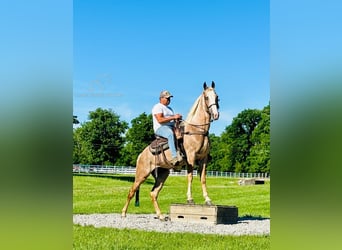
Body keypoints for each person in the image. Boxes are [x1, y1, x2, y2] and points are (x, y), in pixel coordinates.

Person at [152, 90, 183, 165]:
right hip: (161, 128)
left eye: (169, 98)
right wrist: (173, 117)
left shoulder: (170, 108)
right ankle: (174, 157)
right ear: (161, 98)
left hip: (171, 126)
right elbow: (160, 120)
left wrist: (177, 119)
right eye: (167, 98)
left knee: (187, 129)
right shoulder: (158, 107)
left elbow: (172, 119)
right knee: (170, 134)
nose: (169, 100)